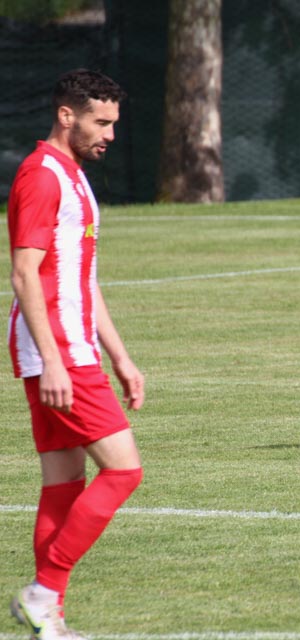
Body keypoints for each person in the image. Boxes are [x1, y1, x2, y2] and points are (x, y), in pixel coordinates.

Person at [6, 69, 144, 640]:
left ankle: (49, 617)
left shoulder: (76, 177)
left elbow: (84, 280)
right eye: (101, 122)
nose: (110, 133)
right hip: (59, 352)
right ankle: (43, 592)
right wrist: (54, 360)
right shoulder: (42, 176)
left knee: (63, 485)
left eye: (114, 122)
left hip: (73, 348)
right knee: (124, 471)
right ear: (67, 116)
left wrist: (121, 357)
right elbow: (23, 273)